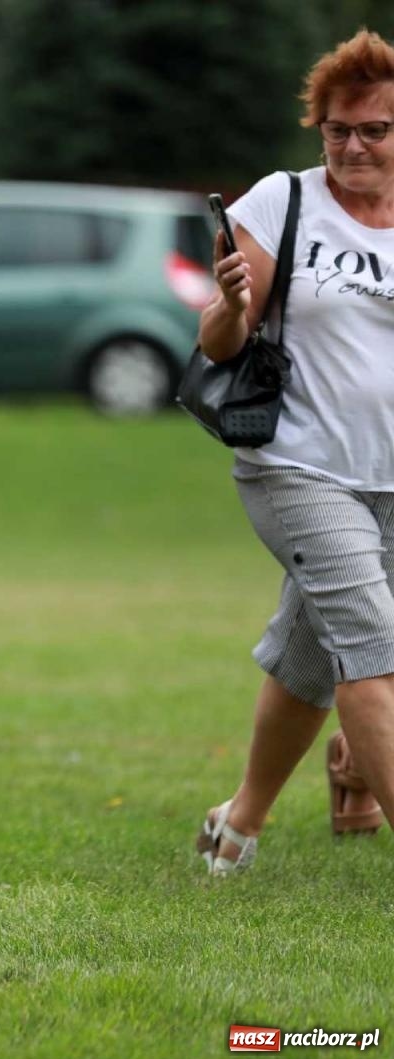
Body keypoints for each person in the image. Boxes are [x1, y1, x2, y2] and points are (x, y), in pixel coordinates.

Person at [195, 29, 394, 874]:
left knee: (312, 655)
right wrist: (234, 303)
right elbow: (217, 343)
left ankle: (237, 823)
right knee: (375, 649)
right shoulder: (283, 201)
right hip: (296, 464)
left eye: (375, 130)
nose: (353, 146)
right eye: (337, 129)